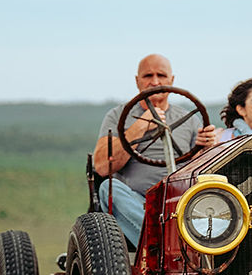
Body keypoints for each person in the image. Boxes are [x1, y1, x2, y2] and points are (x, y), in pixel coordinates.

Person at [93, 54, 217, 246]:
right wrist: (140, 127)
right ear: (137, 81)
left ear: (172, 80)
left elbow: (200, 170)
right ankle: (163, 242)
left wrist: (207, 148)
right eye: (148, 76)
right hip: (136, 200)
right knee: (109, 189)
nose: (155, 82)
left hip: (180, 200)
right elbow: (102, 167)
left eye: (161, 75)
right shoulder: (118, 116)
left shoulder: (190, 119)